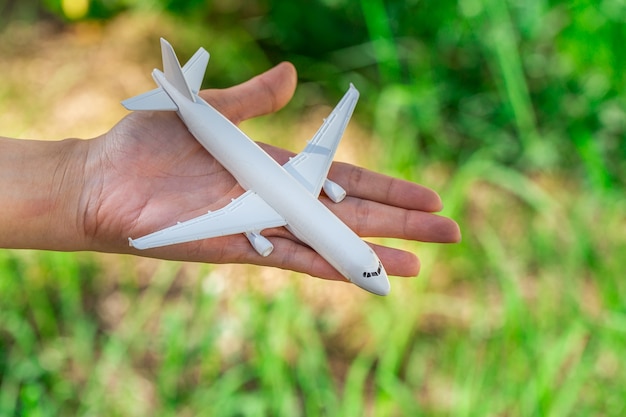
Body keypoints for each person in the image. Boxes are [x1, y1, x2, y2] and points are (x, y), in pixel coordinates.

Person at [0, 62, 460, 282]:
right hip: (200, 120)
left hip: (259, 161)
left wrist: (264, 230)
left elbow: (315, 169)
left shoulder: (302, 188)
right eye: (372, 269)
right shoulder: (290, 204)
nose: (373, 272)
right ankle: (179, 91)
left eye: (368, 270)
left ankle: (179, 90)